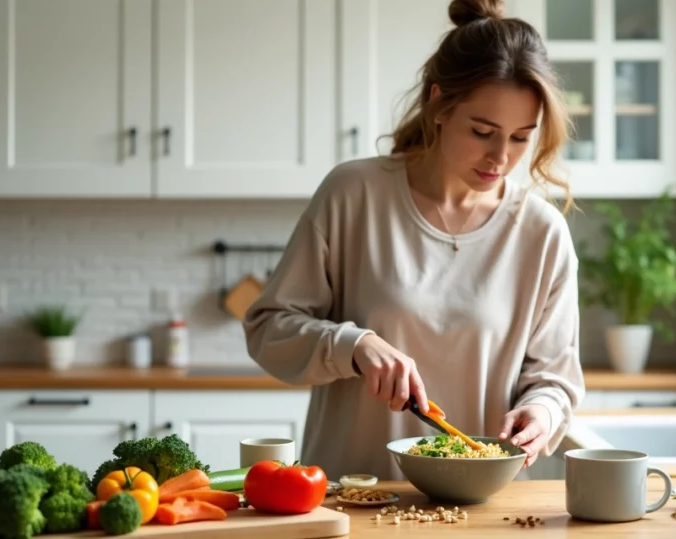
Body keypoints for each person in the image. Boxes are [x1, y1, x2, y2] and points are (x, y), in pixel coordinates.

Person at [242, 0, 586, 481]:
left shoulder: (541, 233)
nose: (500, 157)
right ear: (439, 103)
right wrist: (353, 345)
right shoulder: (353, 195)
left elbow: (556, 378)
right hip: (353, 499)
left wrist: (544, 411)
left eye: (519, 138)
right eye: (483, 131)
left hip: (482, 511)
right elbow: (268, 329)